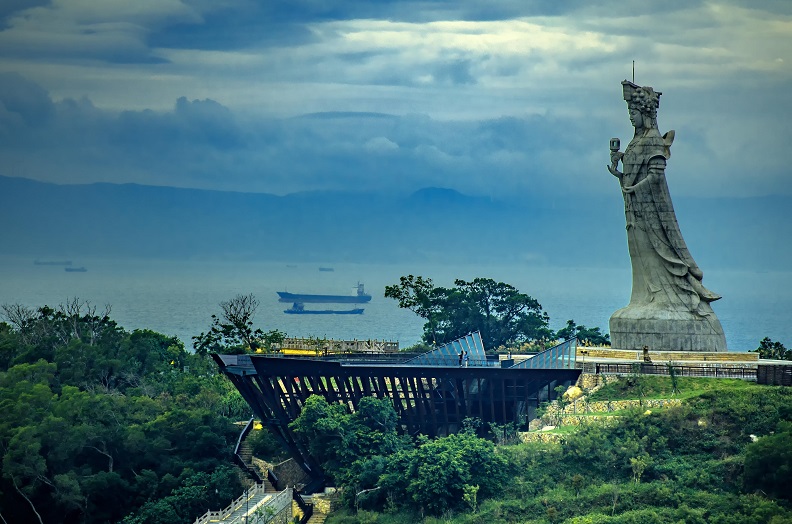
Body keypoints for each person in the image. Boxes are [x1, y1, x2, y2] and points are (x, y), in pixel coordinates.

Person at [607, 80, 721, 320]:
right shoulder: (636, 141)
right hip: (635, 210)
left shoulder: (652, 140)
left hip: (651, 213)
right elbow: (633, 175)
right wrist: (621, 175)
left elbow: (655, 176)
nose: (631, 117)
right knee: (638, 253)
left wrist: (634, 187)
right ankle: (643, 298)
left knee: (655, 252)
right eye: (629, 112)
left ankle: (663, 299)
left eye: (634, 112)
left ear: (645, 113)